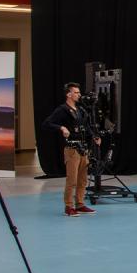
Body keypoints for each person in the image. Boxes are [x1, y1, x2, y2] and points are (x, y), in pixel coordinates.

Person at [42, 82, 100, 217]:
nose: (79, 95)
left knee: (83, 180)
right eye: (76, 92)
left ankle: (80, 204)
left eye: (79, 92)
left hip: (83, 149)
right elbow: (47, 123)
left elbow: (86, 127)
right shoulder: (62, 109)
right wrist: (61, 128)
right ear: (69, 94)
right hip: (72, 149)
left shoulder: (80, 110)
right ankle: (69, 206)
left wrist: (94, 136)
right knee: (72, 180)